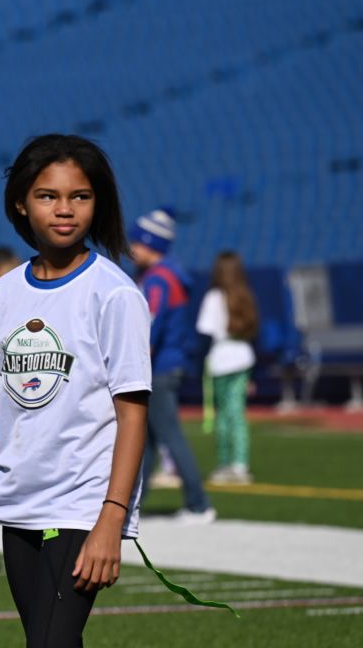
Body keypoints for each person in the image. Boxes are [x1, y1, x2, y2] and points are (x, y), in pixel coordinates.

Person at [0, 134, 150, 647]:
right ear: (21, 202)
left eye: (80, 196)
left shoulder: (114, 295)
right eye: (48, 196)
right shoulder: (3, 295)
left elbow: (132, 416)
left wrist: (112, 519)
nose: (65, 210)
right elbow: (5, 415)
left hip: (83, 505)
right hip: (20, 503)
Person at [129, 207, 216, 523]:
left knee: (169, 436)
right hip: (165, 365)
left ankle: (199, 504)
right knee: (147, 442)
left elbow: (149, 328)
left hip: (159, 368)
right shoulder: (164, 276)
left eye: (136, 242)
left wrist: (131, 365)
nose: (131, 248)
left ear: (151, 243)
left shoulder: (158, 280)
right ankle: (130, 507)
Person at [196, 251, 259, 485]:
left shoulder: (214, 297)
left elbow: (204, 331)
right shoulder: (246, 295)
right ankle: (241, 464)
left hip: (222, 359)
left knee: (224, 414)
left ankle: (225, 464)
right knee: (238, 413)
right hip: (243, 357)